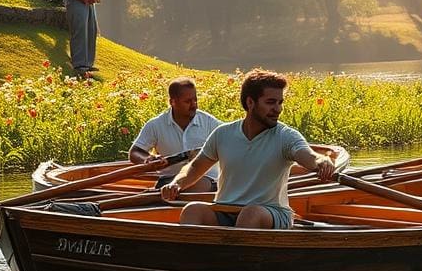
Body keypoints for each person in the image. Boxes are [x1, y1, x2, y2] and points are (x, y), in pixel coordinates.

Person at [160, 69, 335, 228]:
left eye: (280, 102)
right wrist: (176, 183)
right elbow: (195, 167)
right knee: (192, 210)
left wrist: (322, 161)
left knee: (250, 214)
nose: (278, 109)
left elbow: (309, 156)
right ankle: (192, 260)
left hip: (271, 213)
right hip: (226, 209)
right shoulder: (222, 134)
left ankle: (237, 261)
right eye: (271, 102)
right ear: (250, 102)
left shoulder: (286, 136)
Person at [129, 77, 222, 191]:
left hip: (205, 182)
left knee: (197, 185)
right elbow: (135, 152)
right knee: (168, 189)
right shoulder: (156, 125)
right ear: (172, 102)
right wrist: (148, 159)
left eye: (195, 100)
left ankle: (156, 197)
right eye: (188, 101)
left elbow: (231, 141)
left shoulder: (209, 122)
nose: (194, 105)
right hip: (168, 182)